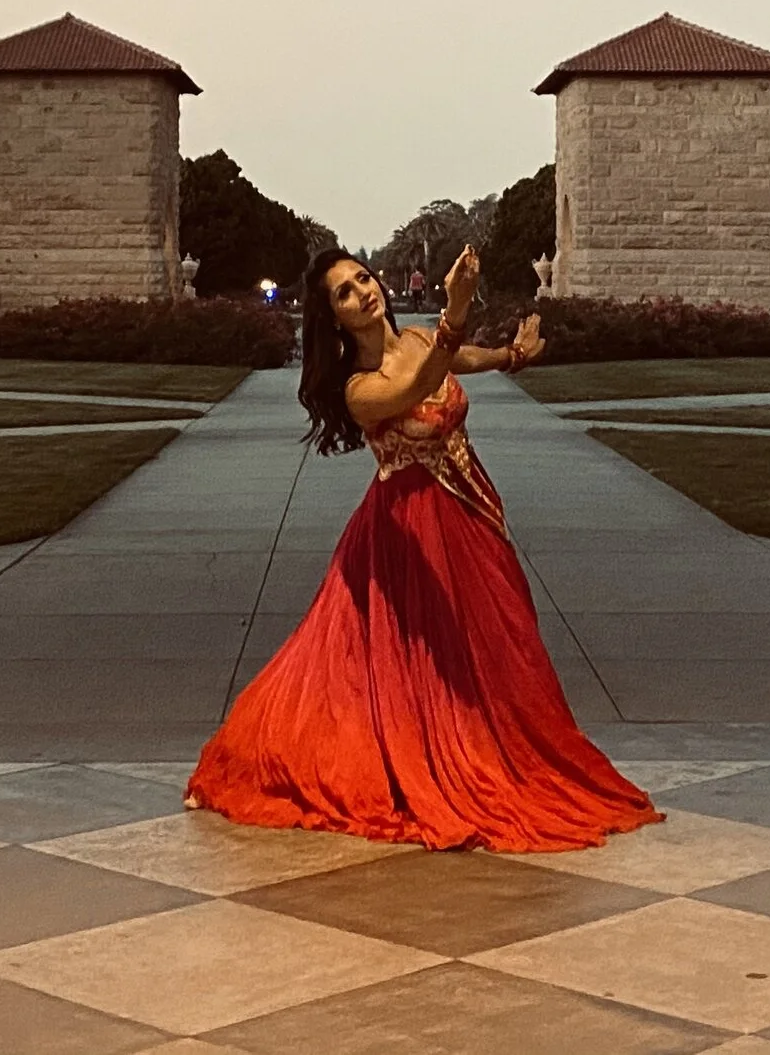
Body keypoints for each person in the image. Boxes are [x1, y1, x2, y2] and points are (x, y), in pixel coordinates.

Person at [185, 243, 659, 852]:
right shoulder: (363, 388)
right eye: (344, 293)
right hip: (410, 534)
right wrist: (456, 309)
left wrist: (513, 355)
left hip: (469, 516)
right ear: (332, 317)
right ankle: (438, 759)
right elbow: (424, 381)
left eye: (362, 278)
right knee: (425, 666)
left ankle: (501, 749)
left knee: (497, 646)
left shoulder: (414, 340)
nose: (362, 293)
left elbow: (459, 359)